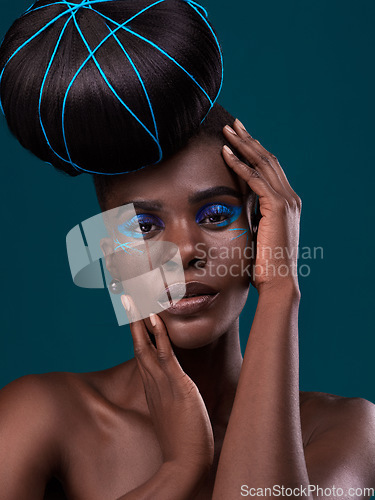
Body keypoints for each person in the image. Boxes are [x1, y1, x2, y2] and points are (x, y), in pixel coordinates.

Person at [0, 1, 374, 499]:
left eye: (216, 216)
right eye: (143, 225)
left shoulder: (347, 429)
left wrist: (281, 288)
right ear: (111, 254)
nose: (185, 251)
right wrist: (181, 468)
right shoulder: (38, 415)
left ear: (265, 231)